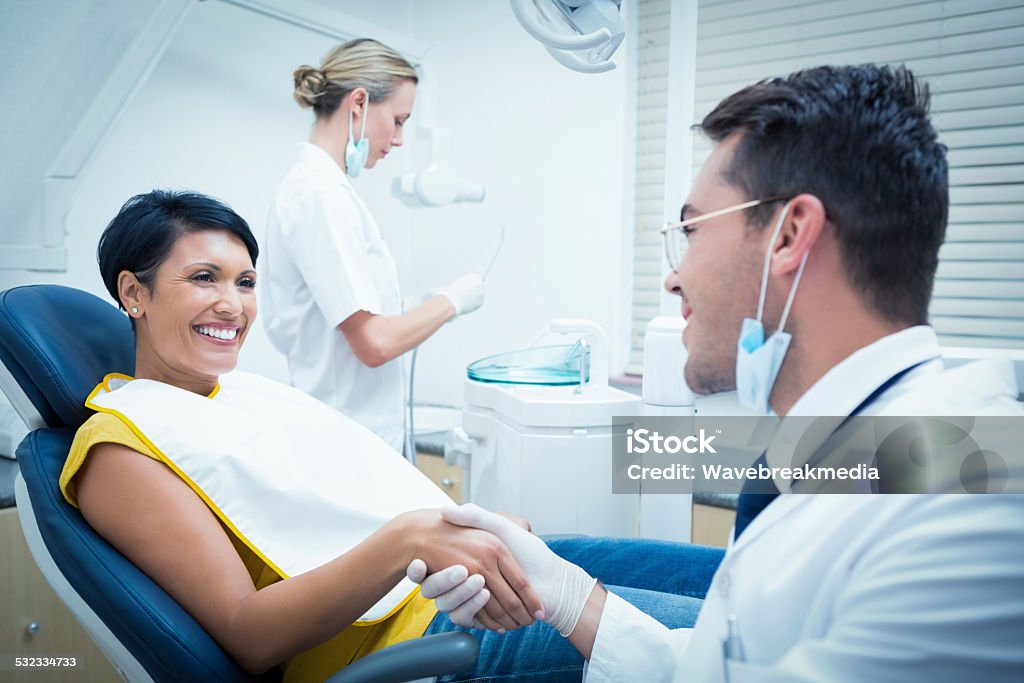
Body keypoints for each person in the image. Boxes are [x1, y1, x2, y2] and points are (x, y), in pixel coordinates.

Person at [412, 64, 1024, 681]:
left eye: (692, 230)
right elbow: (721, 667)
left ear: (789, 235)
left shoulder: (974, 498)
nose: (672, 276)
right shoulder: (856, 443)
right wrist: (565, 594)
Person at [63, 189, 726, 682]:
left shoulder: (237, 392)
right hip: (414, 640)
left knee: (730, 583)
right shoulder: (120, 446)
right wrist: (408, 537)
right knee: (726, 645)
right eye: (203, 278)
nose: (234, 305)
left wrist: (460, 524)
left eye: (245, 282)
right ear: (134, 293)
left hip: (450, 576)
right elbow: (246, 632)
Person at [263, 38, 485, 453]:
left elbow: (351, 317)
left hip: (352, 432)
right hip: (345, 439)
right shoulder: (320, 196)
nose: (399, 139)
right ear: (359, 102)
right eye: (398, 120)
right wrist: (451, 301)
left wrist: (419, 305)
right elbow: (374, 343)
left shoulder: (324, 191)